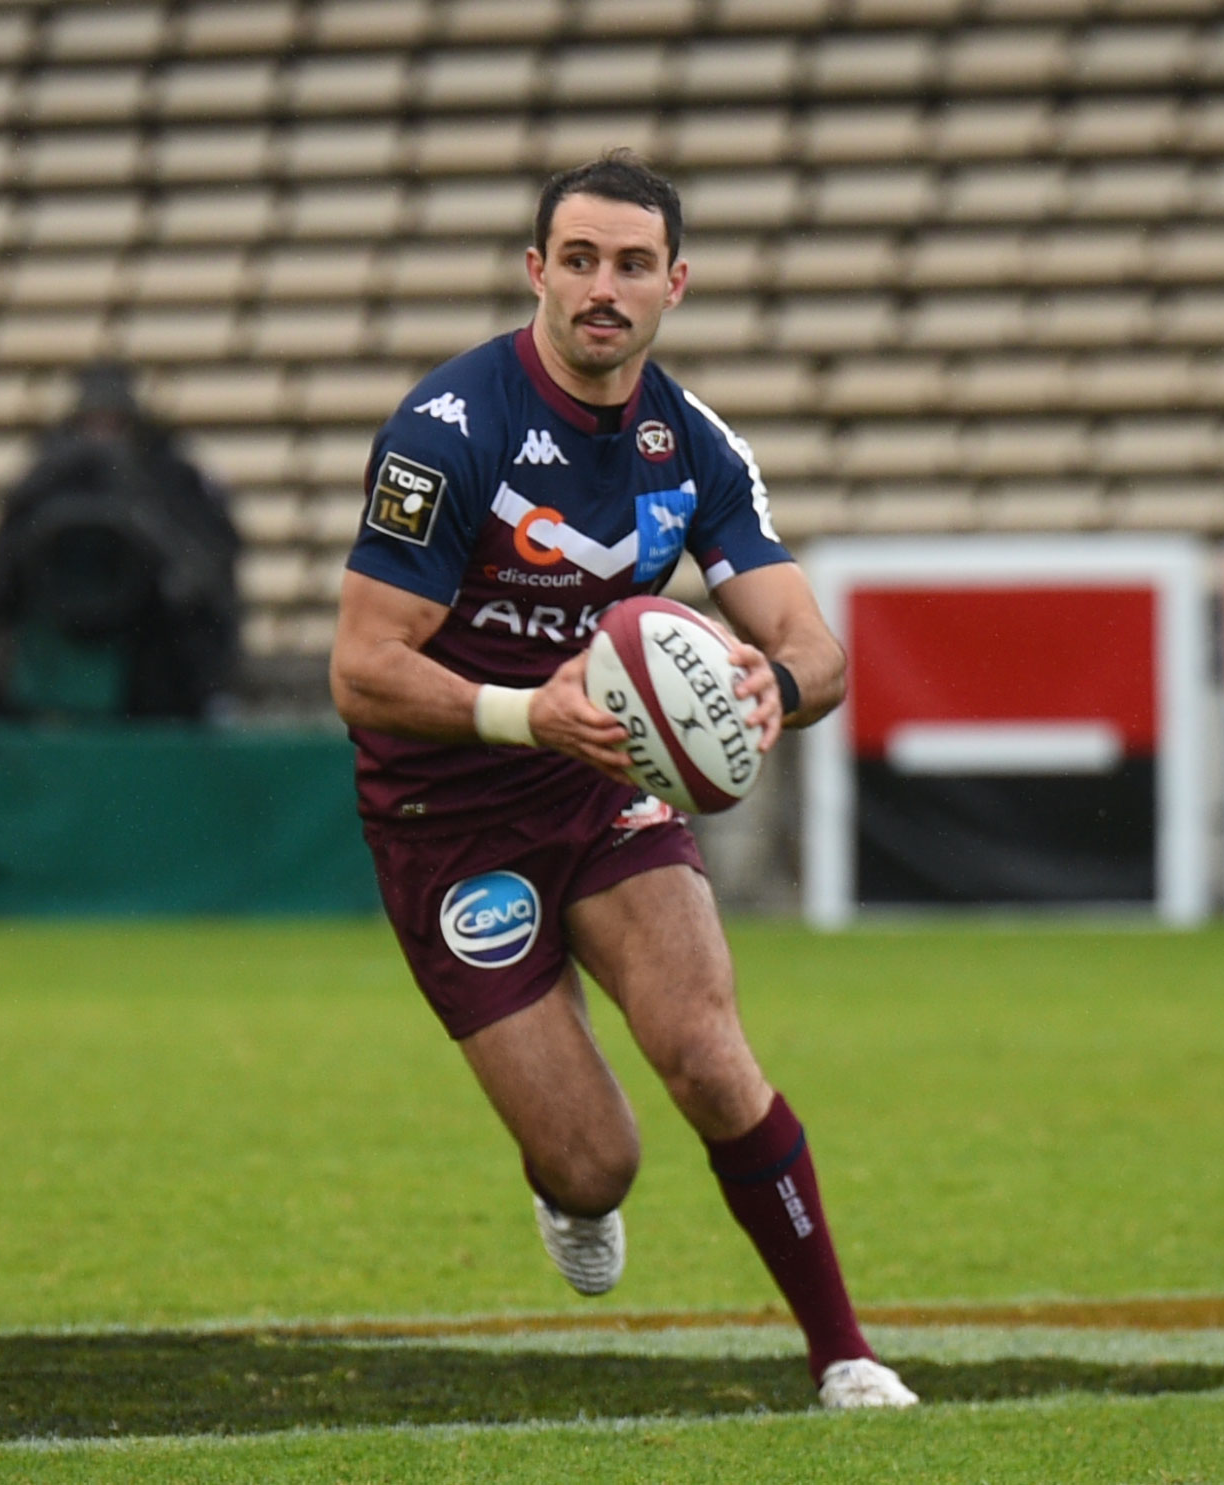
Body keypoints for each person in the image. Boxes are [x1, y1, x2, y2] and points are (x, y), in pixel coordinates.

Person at [328, 151, 916, 1409]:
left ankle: (844, 1356)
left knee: (707, 1056)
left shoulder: (696, 447)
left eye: (632, 265)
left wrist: (780, 687)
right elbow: (364, 671)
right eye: (580, 260)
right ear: (537, 272)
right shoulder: (451, 431)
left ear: (676, 284)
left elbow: (814, 645)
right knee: (598, 1164)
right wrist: (524, 714)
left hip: (601, 787)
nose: (605, 288)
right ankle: (568, 1178)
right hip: (450, 813)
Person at [0, 363, 244, 722]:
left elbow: (206, 572)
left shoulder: (171, 479)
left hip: (155, 663)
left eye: (114, 423)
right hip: (53, 656)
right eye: (93, 423)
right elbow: (1, 581)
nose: (102, 438)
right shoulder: (46, 481)